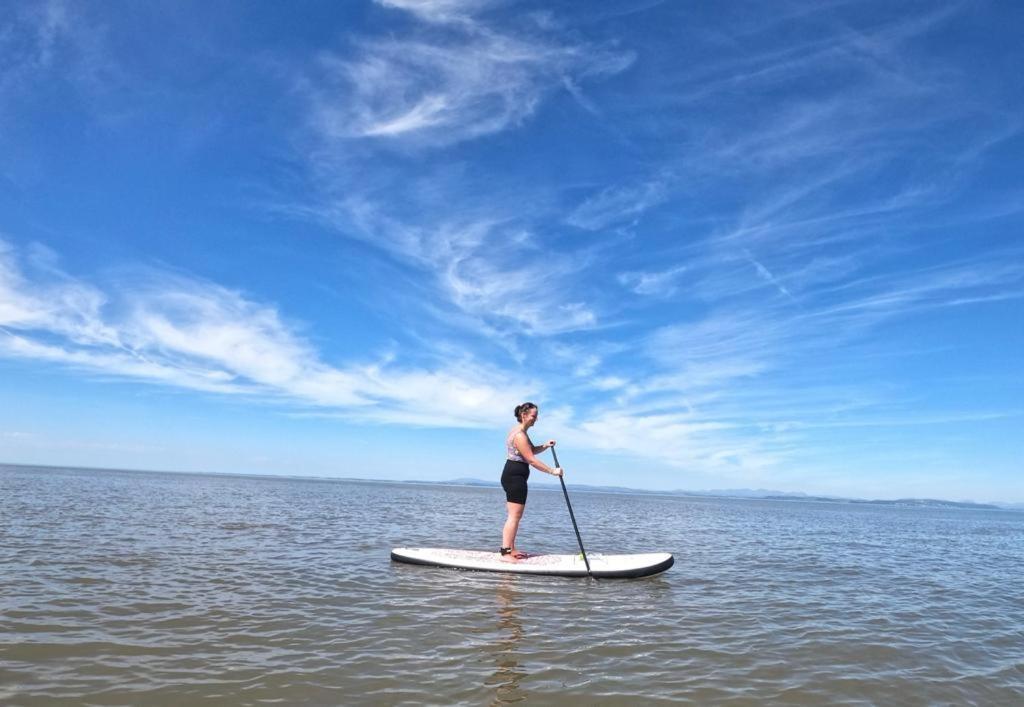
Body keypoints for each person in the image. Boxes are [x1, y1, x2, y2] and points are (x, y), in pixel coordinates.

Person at [500, 402, 563, 562]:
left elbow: (530, 450)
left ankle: (511, 549)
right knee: (514, 516)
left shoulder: (519, 432)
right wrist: (552, 471)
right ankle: (506, 553)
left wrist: (545, 446)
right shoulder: (520, 435)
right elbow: (531, 460)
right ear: (524, 415)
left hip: (513, 474)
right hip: (515, 476)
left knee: (514, 515)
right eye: (534, 416)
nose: (536, 419)